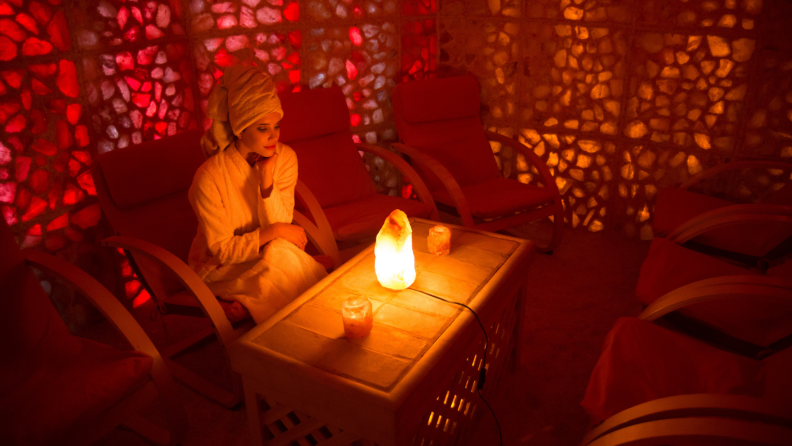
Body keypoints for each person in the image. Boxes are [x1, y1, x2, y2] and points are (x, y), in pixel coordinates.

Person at [187, 64, 327, 323]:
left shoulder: (284, 159)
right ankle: (253, 308)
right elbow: (223, 251)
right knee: (289, 267)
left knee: (283, 259)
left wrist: (266, 180)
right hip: (220, 266)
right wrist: (274, 232)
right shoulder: (209, 178)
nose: (273, 137)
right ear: (240, 129)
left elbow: (281, 222)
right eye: (263, 128)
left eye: (277, 126)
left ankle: (254, 304)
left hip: (270, 253)